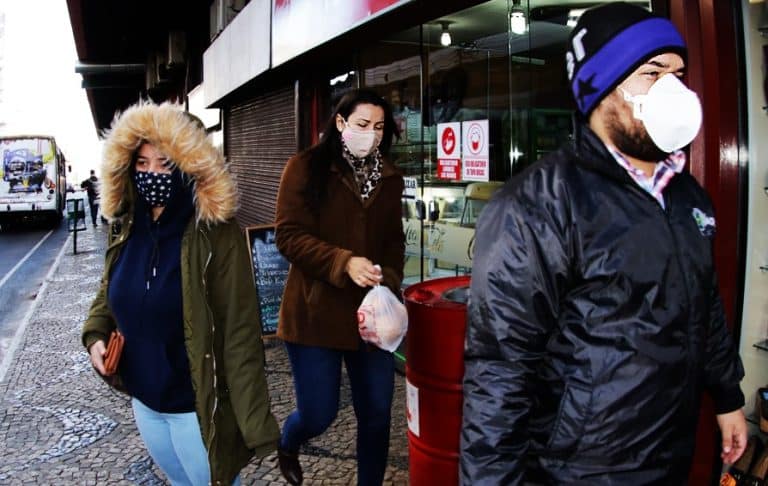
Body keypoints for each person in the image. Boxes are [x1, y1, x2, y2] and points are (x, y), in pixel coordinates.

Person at [460, 3, 747, 484]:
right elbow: (499, 372)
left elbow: (705, 304)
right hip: (578, 470)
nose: (672, 89)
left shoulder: (688, 196)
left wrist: (728, 397)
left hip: (670, 454)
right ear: (598, 87)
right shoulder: (538, 205)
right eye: (652, 72)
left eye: (677, 73)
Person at [82, 101, 280, 485]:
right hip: (145, 401)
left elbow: (240, 332)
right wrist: (94, 336)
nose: (152, 174)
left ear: (189, 165)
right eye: (142, 163)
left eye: (165, 164)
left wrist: (256, 424)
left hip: (196, 407)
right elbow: (109, 292)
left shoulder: (216, 233)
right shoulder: (126, 225)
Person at [274, 89, 405, 486]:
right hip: (314, 313)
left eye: (380, 127)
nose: (372, 134)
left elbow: (394, 243)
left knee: (378, 414)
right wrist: (342, 262)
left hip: (371, 320)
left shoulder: (389, 176)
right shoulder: (305, 167)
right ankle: (289, 439)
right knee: (319, 413)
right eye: (363, 125)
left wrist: (389, 279)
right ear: (341, 123)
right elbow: (288, 236)